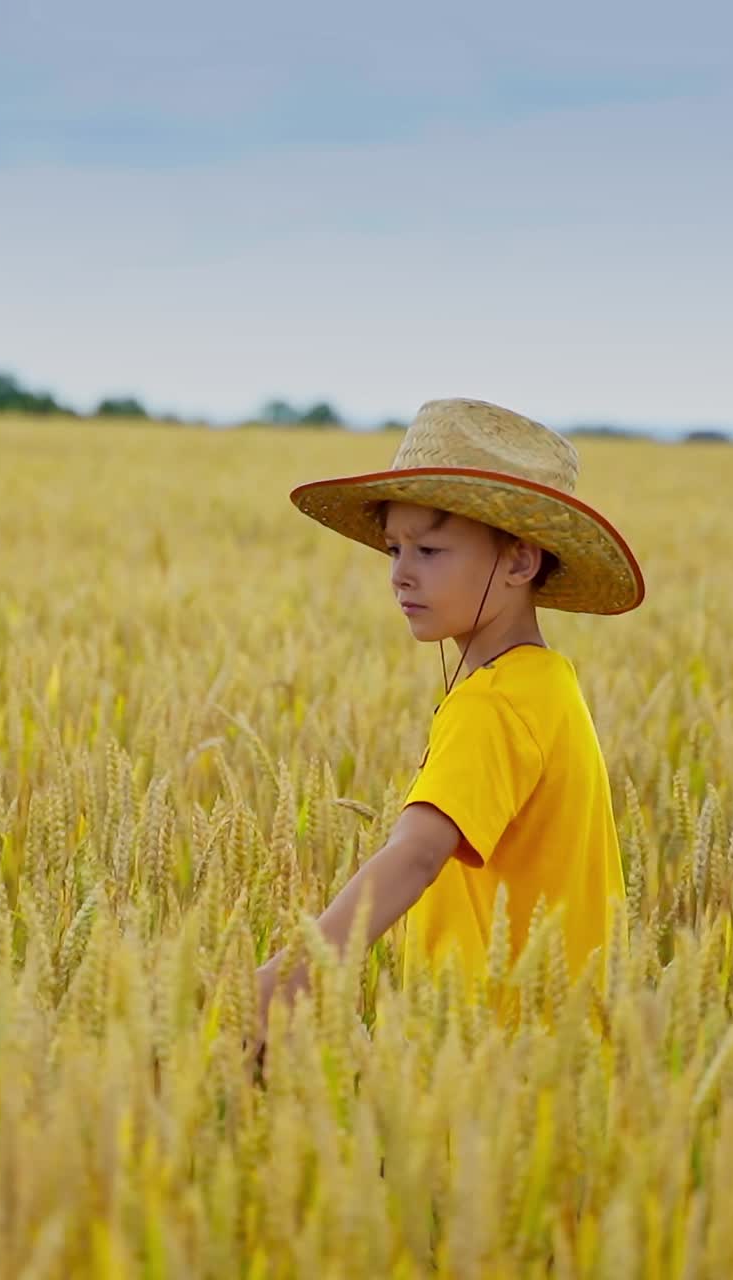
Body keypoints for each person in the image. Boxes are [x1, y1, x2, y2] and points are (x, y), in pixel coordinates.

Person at [248, 397, 646, 1064]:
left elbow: (417, 852)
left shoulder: (492, 704)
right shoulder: (548, 682)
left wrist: (294, 975)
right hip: (560, 1053)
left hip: (494, 1060)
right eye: (395, 548)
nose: (401, 572)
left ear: (520, 563)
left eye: (430, 550)